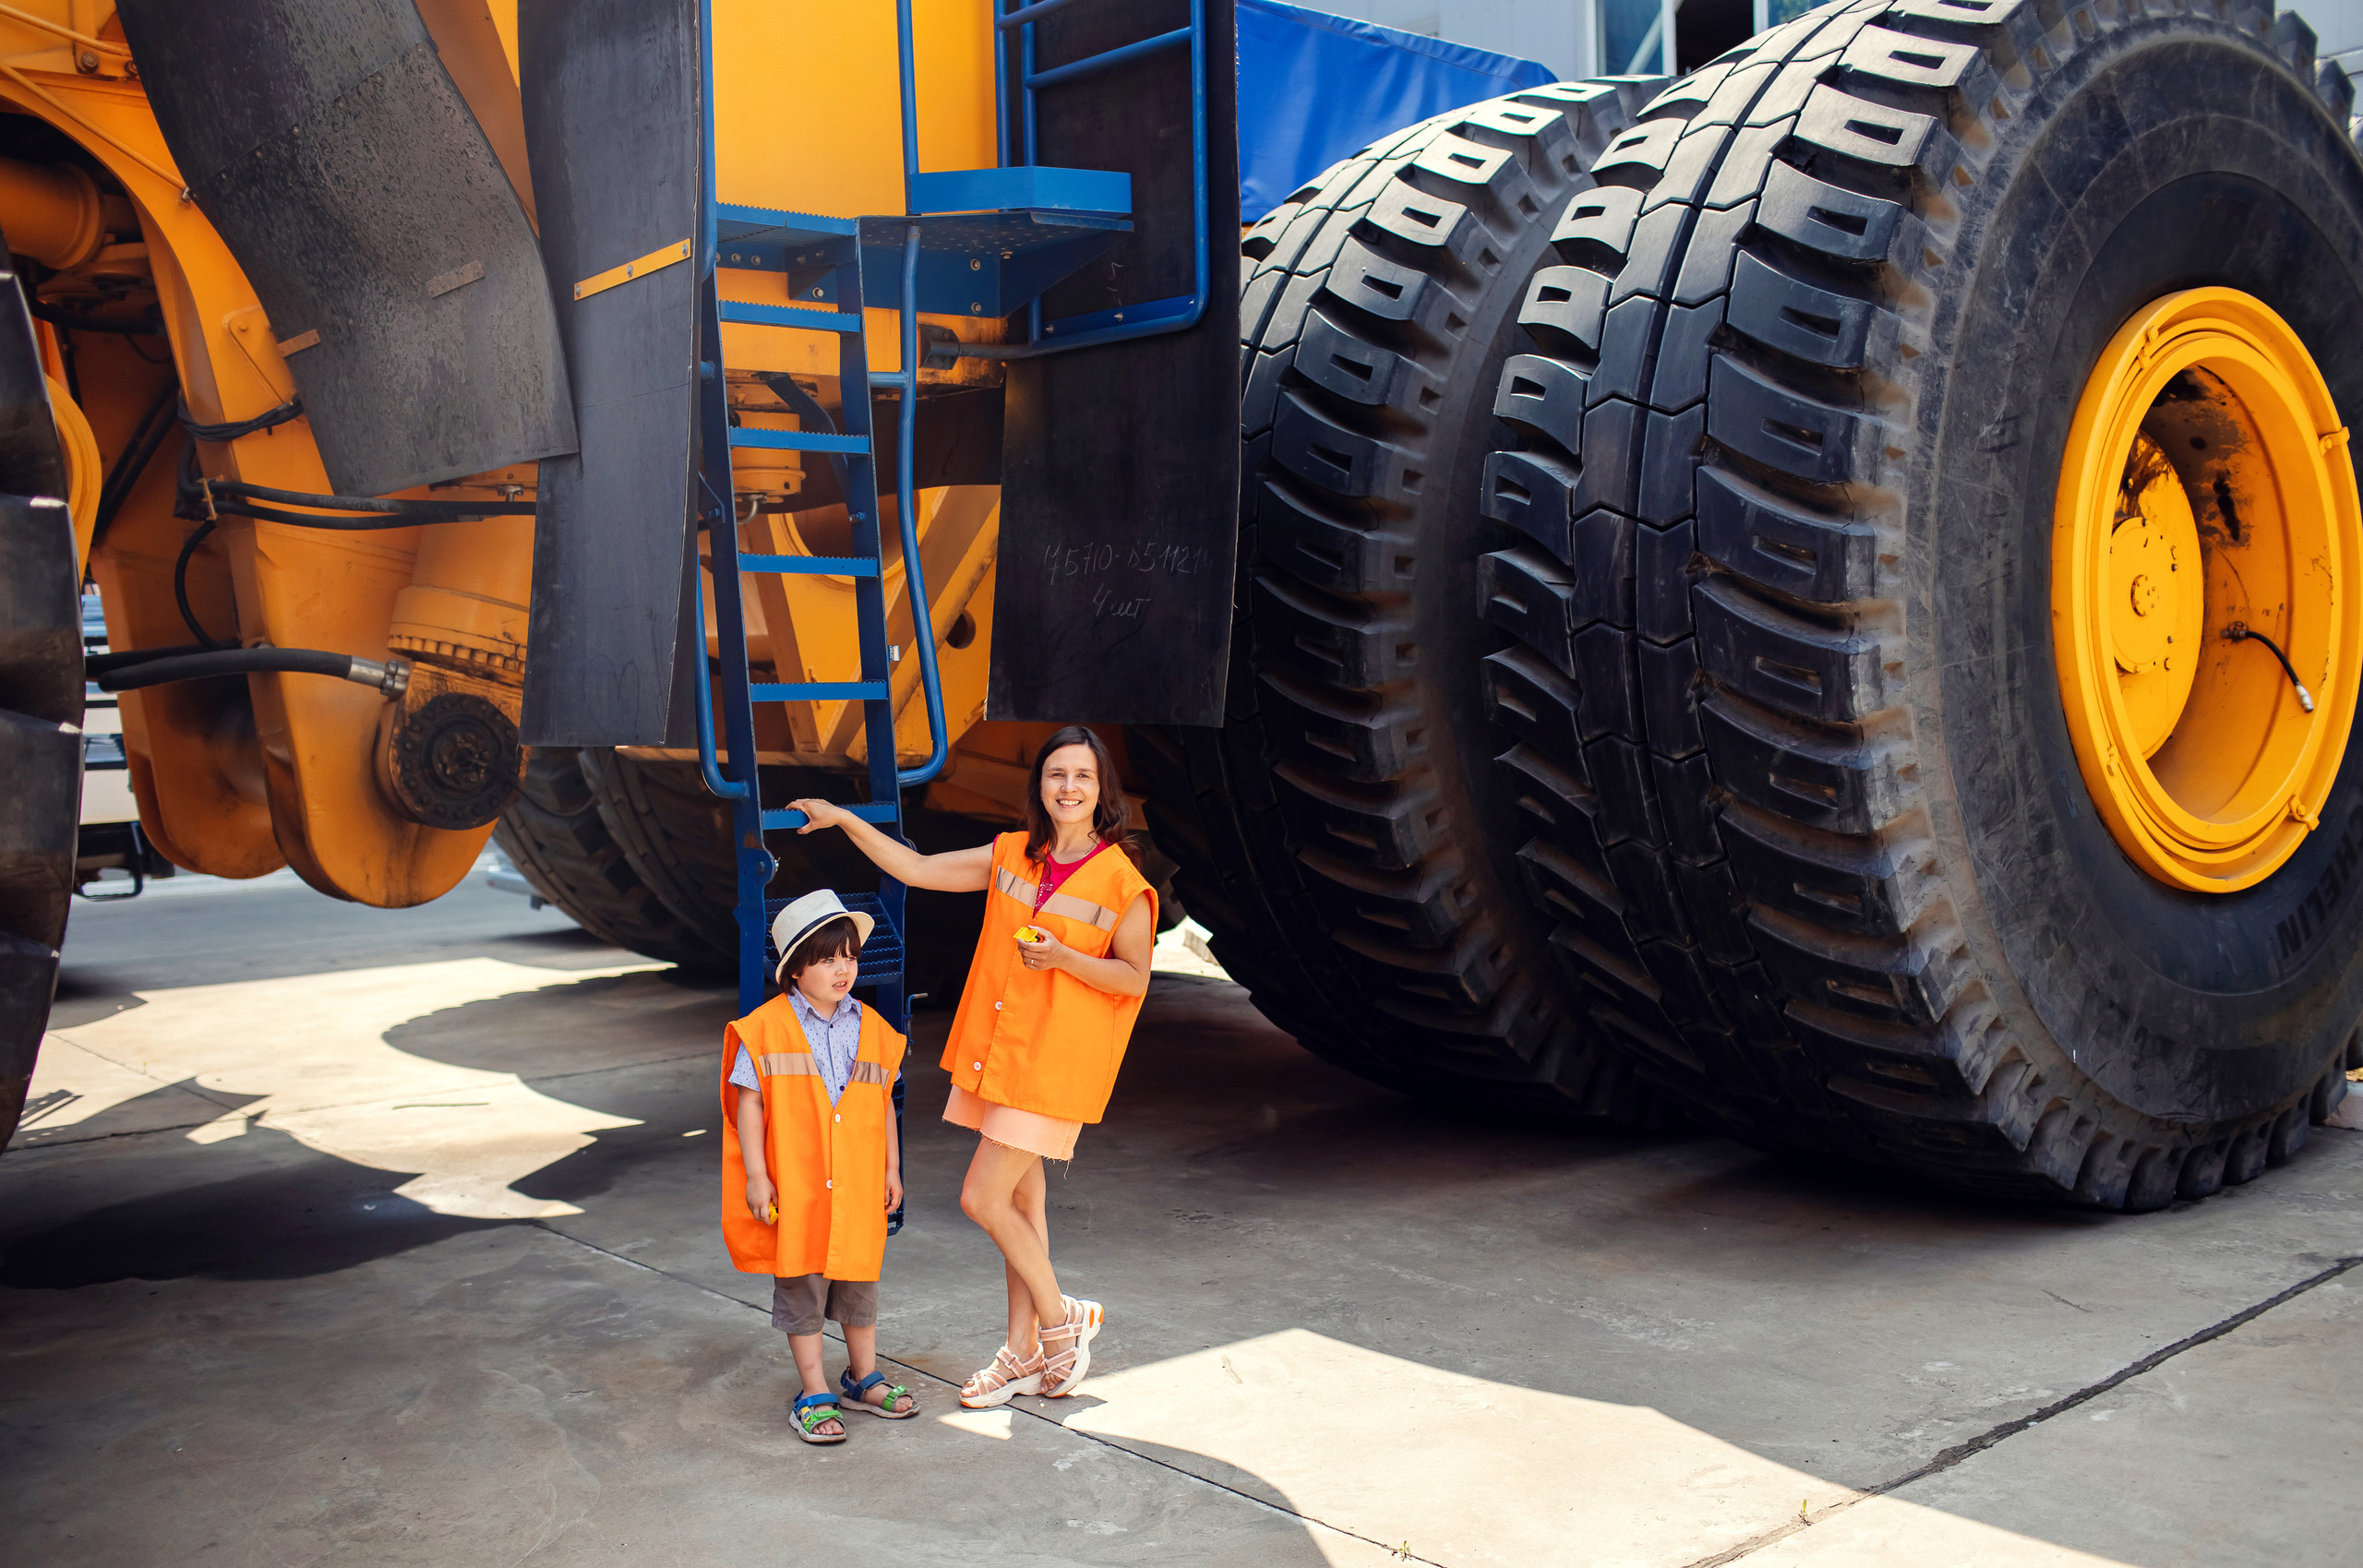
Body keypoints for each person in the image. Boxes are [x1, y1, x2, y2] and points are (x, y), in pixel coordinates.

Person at [786, 724, 1156, 1407]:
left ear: (1101, 791)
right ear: (1040, 787)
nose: (1068, 787)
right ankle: (1021, 1351)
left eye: (1082, 776)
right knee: (1021, 1201)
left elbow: (1133, 978)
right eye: (1056, 775)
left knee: (980, 1197)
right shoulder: (1013, 853)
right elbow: (918, 870)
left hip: (1055, 1065)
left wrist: (1066, 958)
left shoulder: (1121, 880)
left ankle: (1060, 1317)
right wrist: (842, 819)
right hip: (1003, 1053)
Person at [718, 889, 918, 1444]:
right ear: (795, 969)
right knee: (801, 1287)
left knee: (859, 1281)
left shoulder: (872, 1027)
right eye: (828, 959)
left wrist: (891, 1168)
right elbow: (749, 1106)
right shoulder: (766, 1028)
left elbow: (882, 1106)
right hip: (799, 1186)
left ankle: (863, 1377)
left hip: (856, 1185)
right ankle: (813, 1389)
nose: (843, 969)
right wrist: (758, 1175)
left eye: (849, 957)